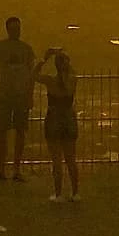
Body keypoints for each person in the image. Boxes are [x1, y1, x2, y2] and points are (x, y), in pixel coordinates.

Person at [0, 17, 36, 182]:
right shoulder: (1, 47)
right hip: (6, 95)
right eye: (13, 28)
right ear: (8, 30)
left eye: (17, 28)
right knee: (2, 133)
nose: (16, 31)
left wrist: (30, 95)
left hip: (20, 96)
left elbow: (31, 75)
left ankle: (16, 169)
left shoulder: (26, 49)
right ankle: (2, 169)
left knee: (19, 132)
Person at [33, 47, 80, 202]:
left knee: (56, 159)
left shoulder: (50, 80)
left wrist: (45, 58)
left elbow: (33, 75)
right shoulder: (73, 79)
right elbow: (72, 71)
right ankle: (75, 192)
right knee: (71, 158)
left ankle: (58, 193)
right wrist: (64, 58)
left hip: (54, 118)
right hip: (69, 118)